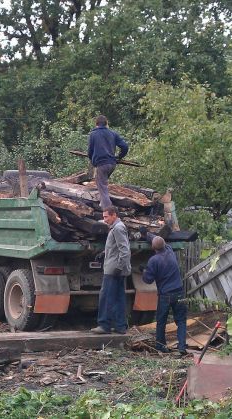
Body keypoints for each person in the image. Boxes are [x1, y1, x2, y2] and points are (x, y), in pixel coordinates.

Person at [142, 234, 187, 355]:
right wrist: (147, 234)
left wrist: (144, 271)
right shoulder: (170, 251)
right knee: (181, 321)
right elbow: (160, 241)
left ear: (153, 247)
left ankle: (161, 346)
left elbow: (148, 280)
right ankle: (182, 347)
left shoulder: (154, 260)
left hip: (165, 295)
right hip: (179, 292)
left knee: (161, 322)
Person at [91, 205, 131, 334]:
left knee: (106, 297)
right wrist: (104, 253)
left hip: (113, 270)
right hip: (115, 267)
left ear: (114, 215)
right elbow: (116, 247)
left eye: (106, 217)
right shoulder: (116, 228)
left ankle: (104, 325)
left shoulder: (118, 228)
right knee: (119, 298)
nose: (104, 220)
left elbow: (125, 250)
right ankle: (120, 326)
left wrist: (119, 267)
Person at [87, 115, 129, 210]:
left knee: (102, 188)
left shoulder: (93, 134)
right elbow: (125, 146)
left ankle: (107, 210)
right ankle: (103, 204)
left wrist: (93, 161)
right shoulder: (112, 133)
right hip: (112, 164)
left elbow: (90, 151)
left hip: (101, 164)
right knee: (103, 184)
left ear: (96, 124)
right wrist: (119, 157)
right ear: (106, 124)